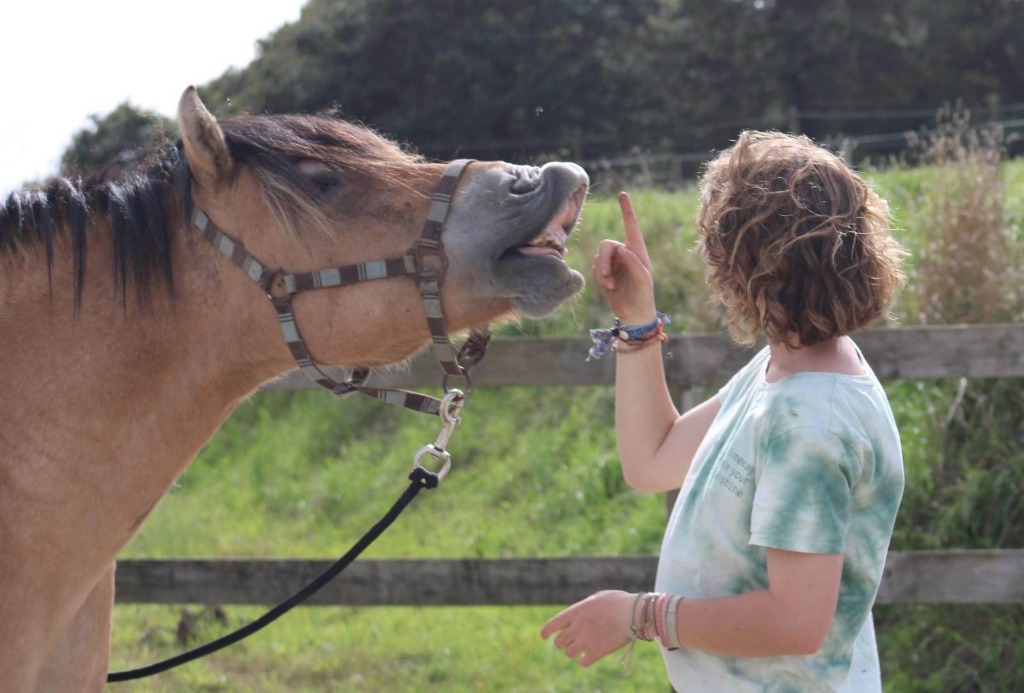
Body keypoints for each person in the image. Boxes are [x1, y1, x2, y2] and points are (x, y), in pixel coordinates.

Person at [540, 131, 906, 691]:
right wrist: (638, 321)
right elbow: (654, 460)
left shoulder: (810, 421)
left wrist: (640, 616)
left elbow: (795, 622)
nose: (707, 254)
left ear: (760, 262)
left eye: (718, 238)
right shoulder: (785, 369)